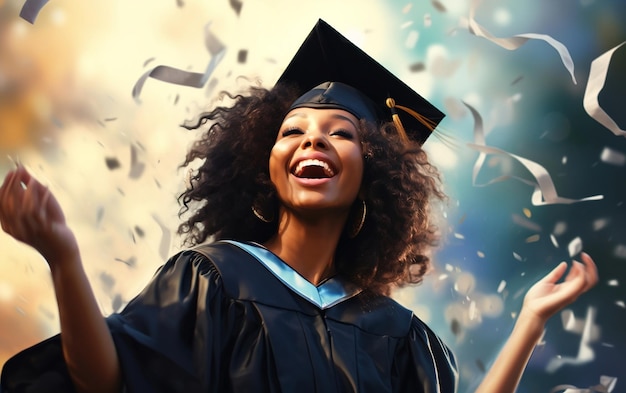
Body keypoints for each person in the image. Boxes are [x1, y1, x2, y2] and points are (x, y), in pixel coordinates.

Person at [0, 20, 597, 393]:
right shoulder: (213, 278)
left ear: (374, 174)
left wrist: (530, 323)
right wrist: (63, 257)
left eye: (340, 132)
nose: (313, 140)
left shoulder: (394, 333)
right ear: (264, 168)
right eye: (293, 131)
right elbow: (105, 380)